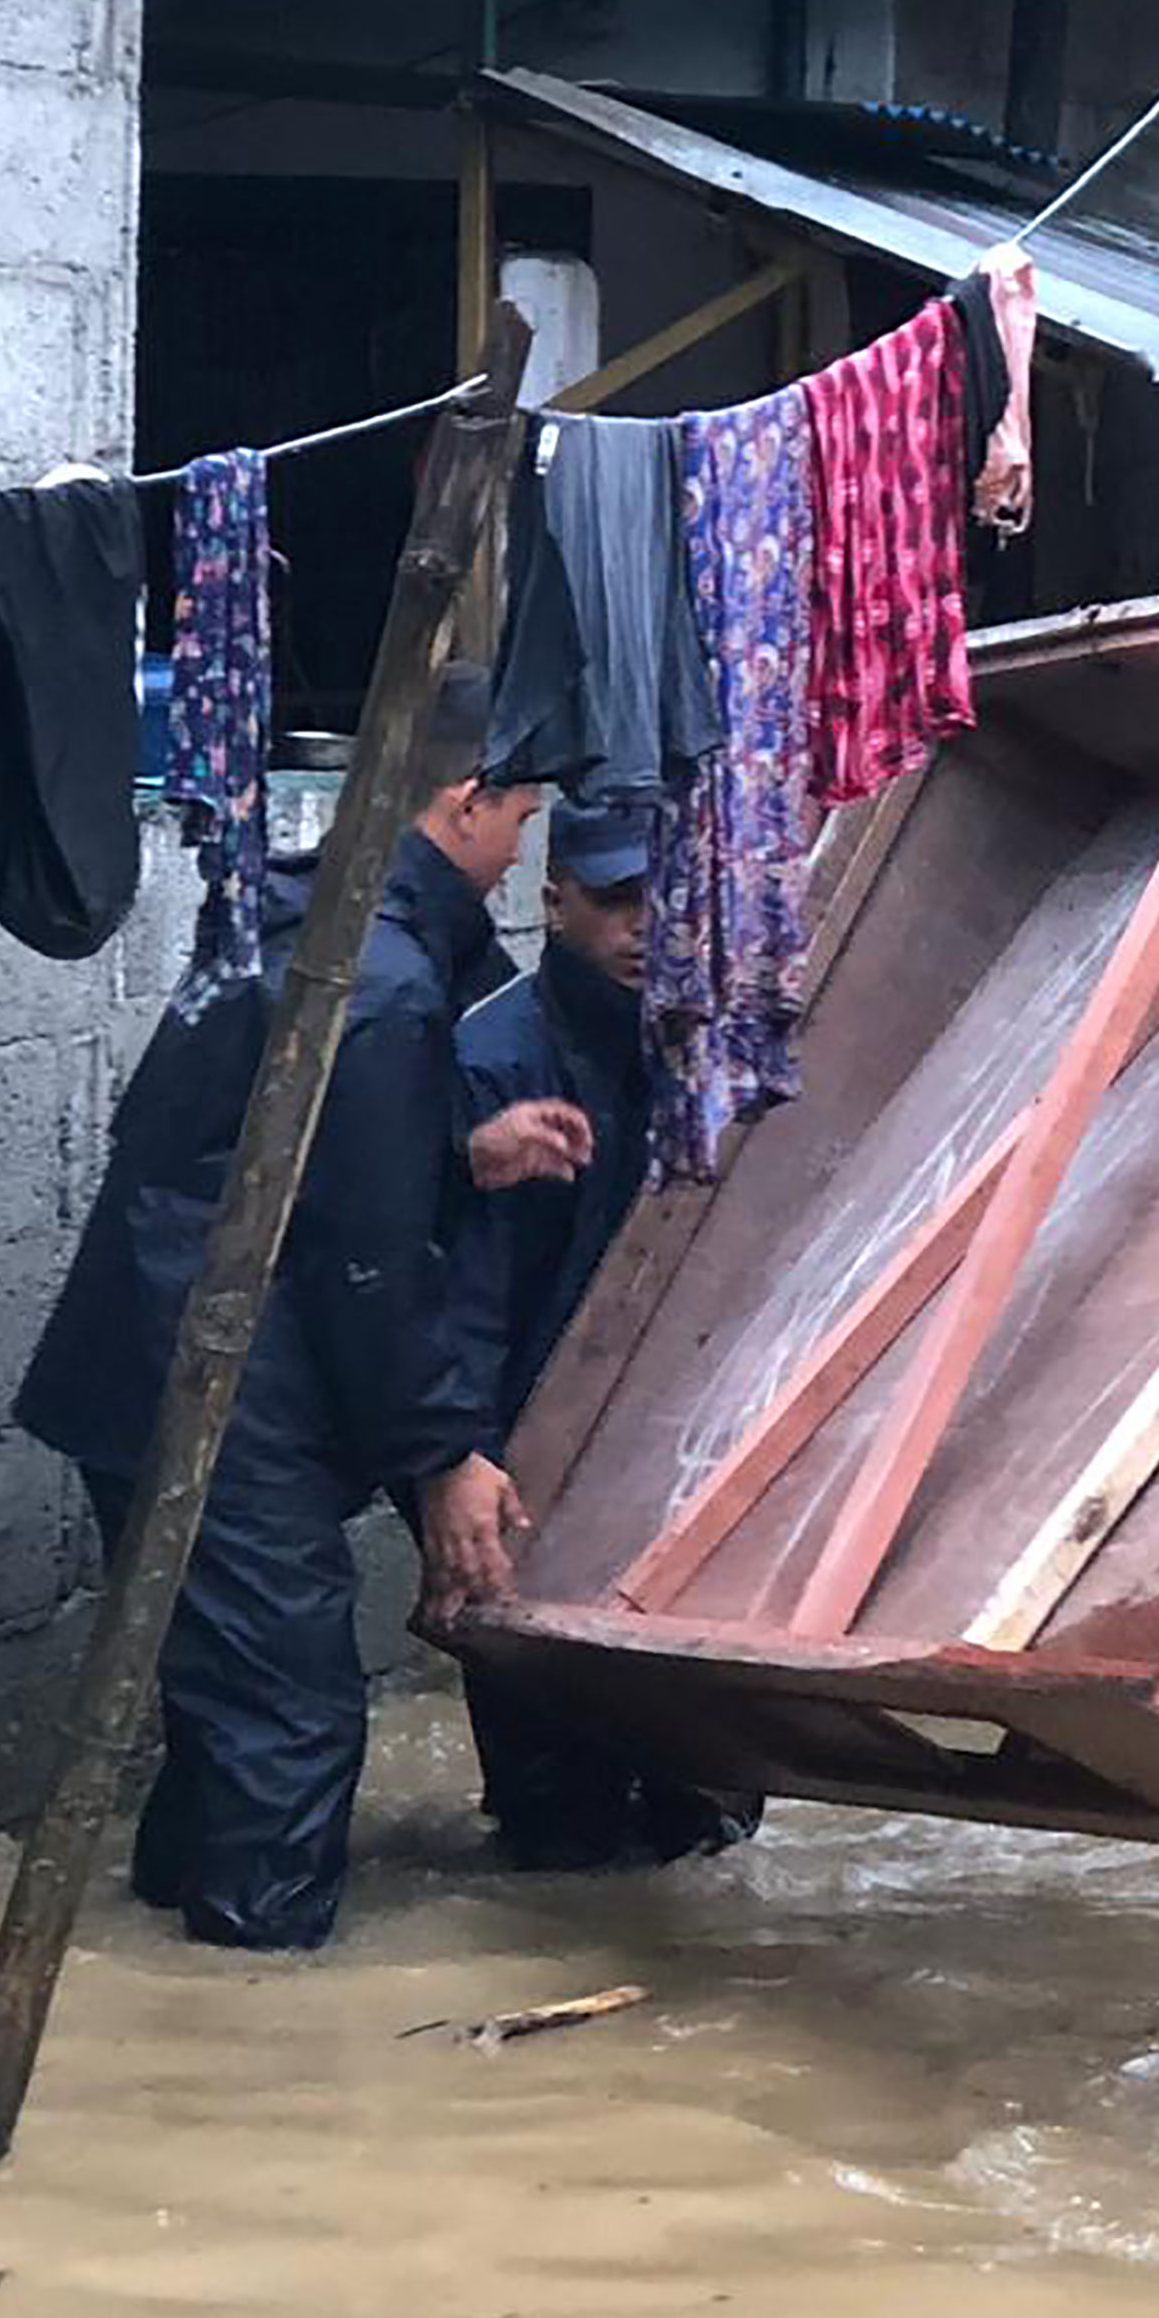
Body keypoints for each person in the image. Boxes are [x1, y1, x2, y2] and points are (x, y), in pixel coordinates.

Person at [15, 667, 545, 1951]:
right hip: (213, 1385)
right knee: (291, 1716)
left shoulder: (294, 914)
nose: (525, 849)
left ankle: (174, 1958)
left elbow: (267, 1152)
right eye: (523, 819)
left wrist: (451, 1146)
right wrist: (440, 1457)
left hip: (146, 1359)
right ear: (466, 803)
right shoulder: (383, 982)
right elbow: (363, 1264)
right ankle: (254, 1995)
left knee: (228, 1707)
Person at [442, 797, 759, 1868]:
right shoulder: (493, 1057)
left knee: (705, 1796)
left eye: (667, 900)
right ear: (553, 902)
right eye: (616, 900)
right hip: (516, 1453)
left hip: (676, 1436)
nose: (644, 927)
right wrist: (458, 1459)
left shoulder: (713, 1046)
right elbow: (460, 1296)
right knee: (555, 1797)